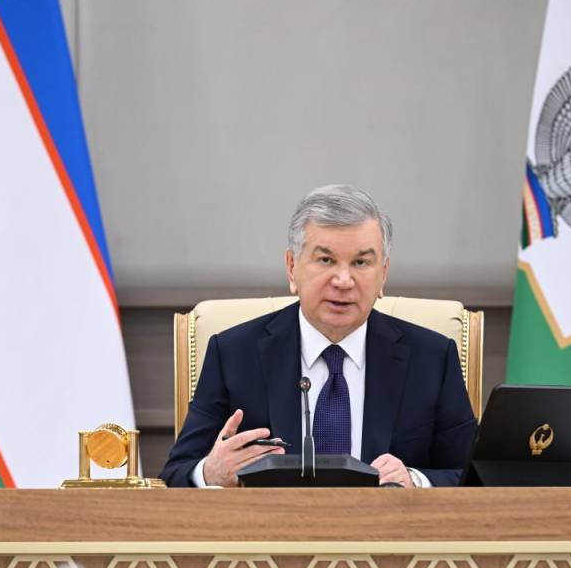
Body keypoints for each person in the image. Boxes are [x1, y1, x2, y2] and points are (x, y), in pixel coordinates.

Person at [159, 185, 477, 487]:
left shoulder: (432, 359)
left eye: (361, 262)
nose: (343, 280)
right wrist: (211, 472)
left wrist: (413, 480)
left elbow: (471, 477)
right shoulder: (234, 355)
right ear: (291, 267)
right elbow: (176, 474)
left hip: (386, 526)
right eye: (326, 260)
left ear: (384, 274)